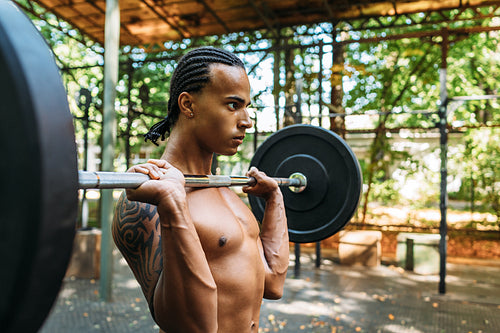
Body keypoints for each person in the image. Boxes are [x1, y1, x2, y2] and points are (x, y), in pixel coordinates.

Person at [112, 46, 289, 333]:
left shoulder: (226, 191)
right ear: (188, 105)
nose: (246, 120)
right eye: (233, 105)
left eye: (246, 106)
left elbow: (273, 283)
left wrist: (274, 200)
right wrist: (172, 204)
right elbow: (193, 325)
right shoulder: (143, 200)